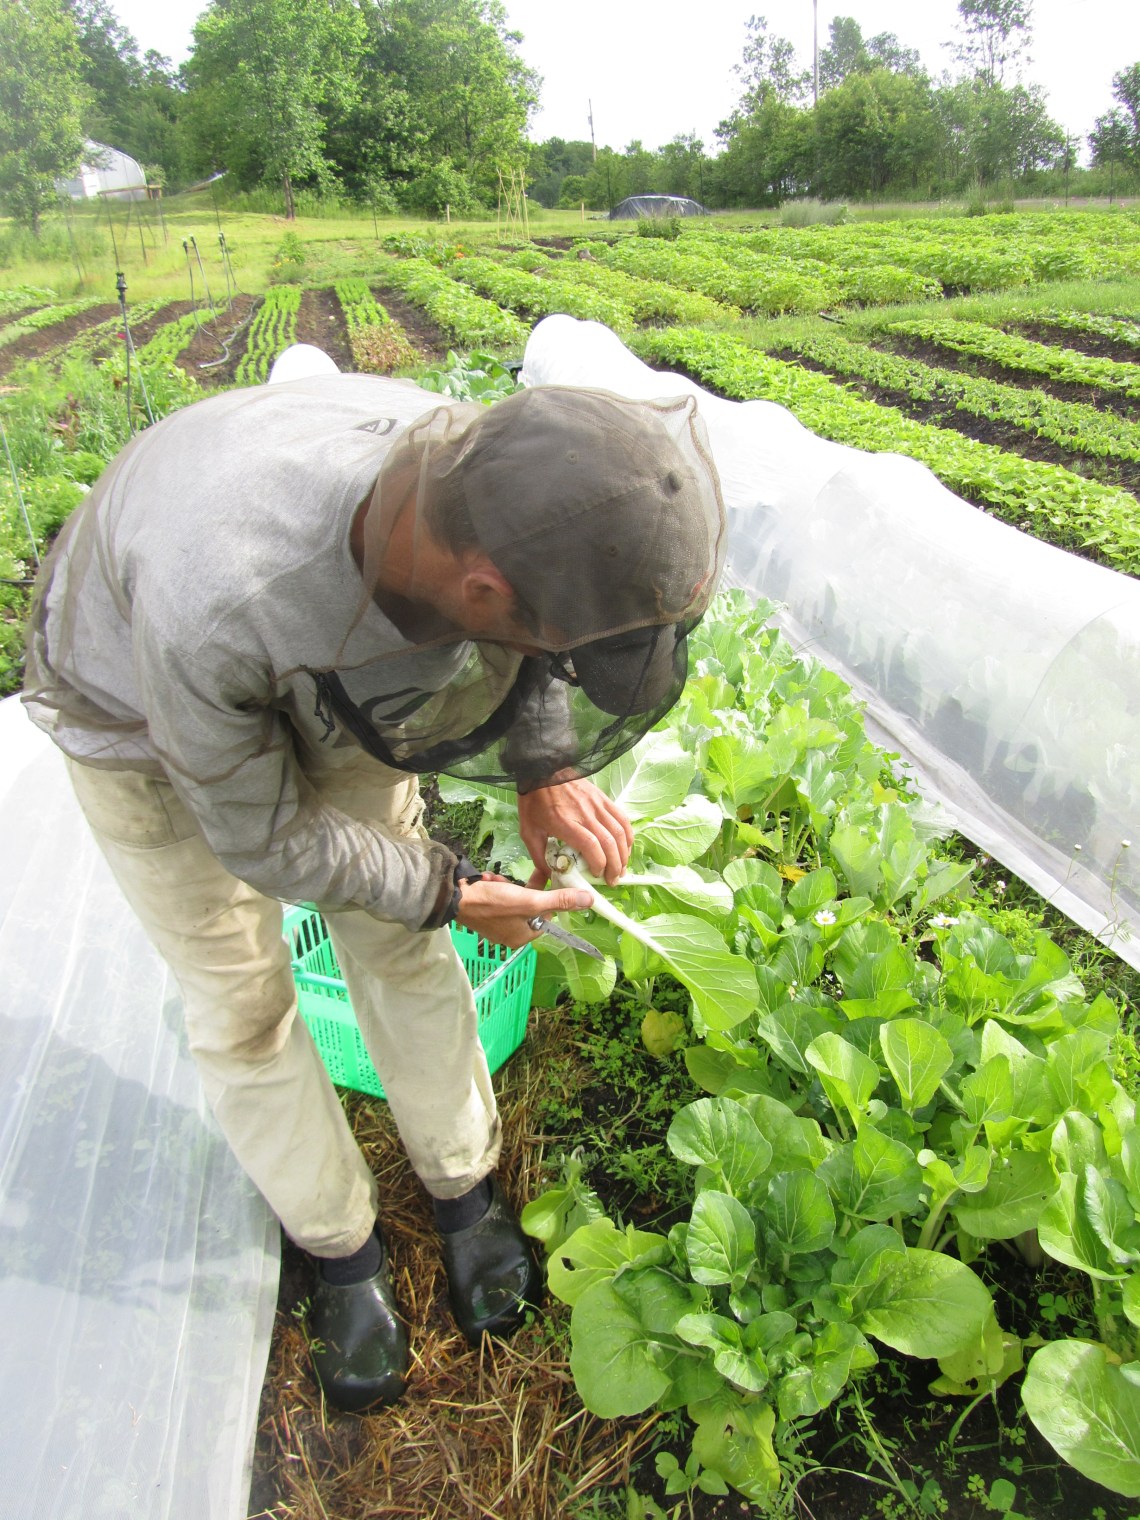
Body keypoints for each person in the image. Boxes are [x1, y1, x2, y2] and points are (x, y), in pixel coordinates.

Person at [22, 369, 726, 1413]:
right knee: (241, 998)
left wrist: (544, 762)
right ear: (478, 592)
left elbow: (541, 641)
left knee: (396, 937)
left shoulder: (493, 478)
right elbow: (263, 836)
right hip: (145, 719)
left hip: (349, 682)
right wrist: (452, 889)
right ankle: (338, 1246)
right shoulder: (216, 597)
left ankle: (462, 1181)